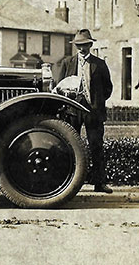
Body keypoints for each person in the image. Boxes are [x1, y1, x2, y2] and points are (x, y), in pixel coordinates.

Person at [55, 29, 113, 194]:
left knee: (96, 146)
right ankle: (69, 183)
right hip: (72, 110)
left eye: (85, 45)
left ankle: (99, 183)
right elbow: (60, 86)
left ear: (90, 45)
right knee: (70, 145)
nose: (82, 48)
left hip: (92, 111)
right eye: (79, 45)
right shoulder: (67, 63)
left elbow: (108, 88)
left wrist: (97, 101)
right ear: (75, 47)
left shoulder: (99, 64)